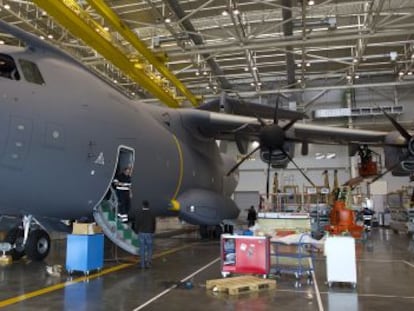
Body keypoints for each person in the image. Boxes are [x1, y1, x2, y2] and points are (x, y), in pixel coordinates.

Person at [133, 200, 156, 269]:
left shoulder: (139, 214)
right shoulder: (152, 214)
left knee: (142, 249)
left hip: (141, 233)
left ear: (142, 205)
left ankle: (142, 265)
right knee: (149, 249)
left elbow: (136, 224)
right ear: (148, 206)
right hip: (149, 233)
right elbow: (154, 224)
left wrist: (136, 231)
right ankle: (149, 263)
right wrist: (152, 231)